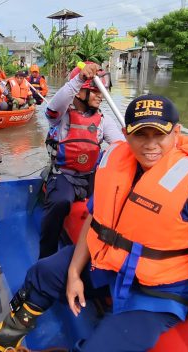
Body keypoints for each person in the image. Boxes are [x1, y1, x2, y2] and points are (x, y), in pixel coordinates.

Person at [0, 94, 188, 352]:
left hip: (157, 292)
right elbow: (97, 221)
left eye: (159, 134)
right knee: (43, 272)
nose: (150, 145)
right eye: (140, 134)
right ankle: (8, 335)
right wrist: (74, 271)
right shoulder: (116, 162)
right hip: (110, 264)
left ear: (177, 132)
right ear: (125, 134)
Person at [38, 62, 123, 259]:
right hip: (63, 175)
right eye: (94, 91)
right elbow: (53, 106)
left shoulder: (103, 120)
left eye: (101, 91)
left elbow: (121, 144)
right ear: (79, 92)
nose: (100, 95)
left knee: (114, 203)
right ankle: (46, 257)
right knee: (60, 203)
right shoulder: (60, 116)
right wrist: (79, 79)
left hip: (91, 176)